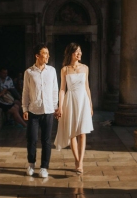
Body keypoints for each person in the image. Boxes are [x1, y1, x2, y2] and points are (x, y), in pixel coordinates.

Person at [54, 43, 93, 175]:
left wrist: (90, 104)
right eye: (77, 52)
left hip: (83, 101)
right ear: (71, 53)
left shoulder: (85, 68)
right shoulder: (65, 69)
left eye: (80, 52)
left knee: (82, 133)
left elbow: (87, 87)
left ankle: (80, 162)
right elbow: (62, 89)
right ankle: (76, 160)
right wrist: (60, 106)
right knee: (72, 133)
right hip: (70, 100)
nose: (79, 54)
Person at [22, 44, 59, 178]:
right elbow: (25, 91)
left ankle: (44, 167)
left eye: (48, 53)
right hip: (33, 110)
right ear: (37, 56)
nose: (48, 56)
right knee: (31, 139)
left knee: (46, 140)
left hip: (48, 110)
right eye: (45, 53)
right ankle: (31, 163)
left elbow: (55, 90)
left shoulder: (52, 71)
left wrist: (56, 107)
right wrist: (25, 108)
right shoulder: (29, 72)